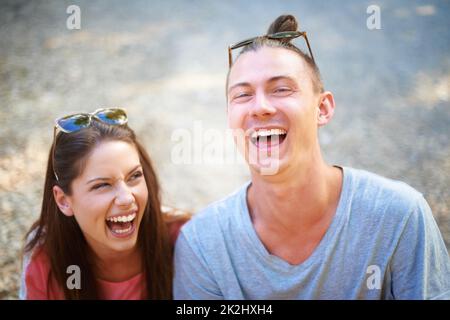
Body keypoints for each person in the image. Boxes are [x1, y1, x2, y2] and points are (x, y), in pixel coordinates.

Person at [173, 15, 450, 299]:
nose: (260, 107)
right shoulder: (202, 246)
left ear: (323, 108)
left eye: (281, 89)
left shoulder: (399, 218)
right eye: (242, 95)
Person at [20, 108, 190, 299]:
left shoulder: (183, 238)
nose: (127, 198)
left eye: (134, 176)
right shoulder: (45, 260)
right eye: (102, 185)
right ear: (64, 201)